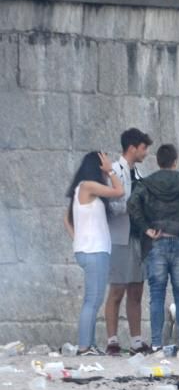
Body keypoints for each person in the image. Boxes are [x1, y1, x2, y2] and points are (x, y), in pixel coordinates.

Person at [127, 144, 179, 351]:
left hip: (156, 243)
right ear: (175, 161)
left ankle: (157, 344)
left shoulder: (147, 183)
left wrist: (146, 228)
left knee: (156, 294)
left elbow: (132, 203)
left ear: (158, 161)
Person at [63, 152, 125, 355]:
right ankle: (84, 346)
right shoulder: (88, 185)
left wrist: (78, 238)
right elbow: (119, 191)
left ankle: (87, 344)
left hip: (91, 249)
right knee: (93, 299)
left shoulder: (81, 189)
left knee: (94, 298)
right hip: (94, 250)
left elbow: (66, 219)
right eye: (104, 162)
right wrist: (111, 170)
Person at [105, 127, 152, 355]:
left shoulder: (140, 174)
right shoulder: (114, 170)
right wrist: (133, 207)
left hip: (138, 237)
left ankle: (135, 340)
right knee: (117, 289)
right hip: (119, 236)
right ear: (132, 147)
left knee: (136, 289)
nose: (145, 153)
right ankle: (112, 339)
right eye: (143, 148)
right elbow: (113, 204)